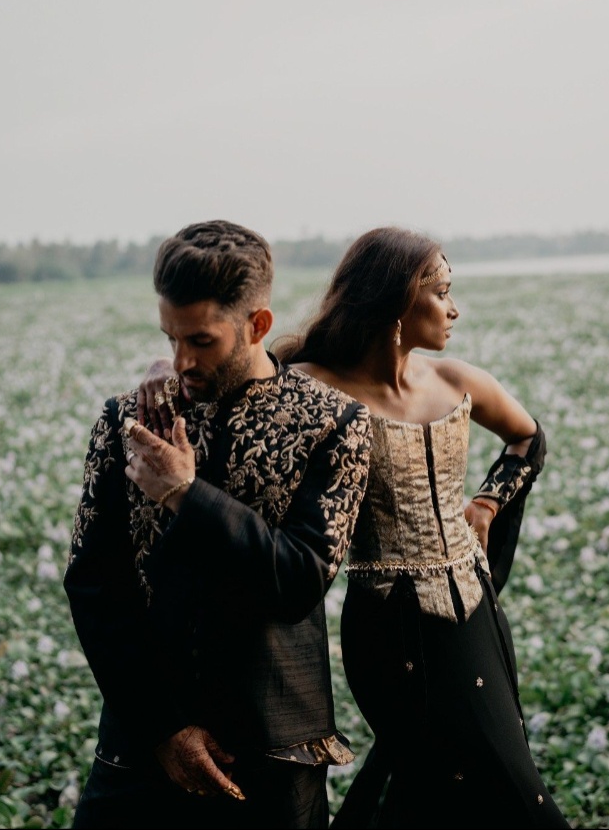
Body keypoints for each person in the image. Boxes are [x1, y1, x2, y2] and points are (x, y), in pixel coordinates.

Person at [139, 226, 572, 829]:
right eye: (441, 291)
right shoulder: (309, 384)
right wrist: (160, 368)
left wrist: (489, 503)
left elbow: (529, 437)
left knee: (444, 781)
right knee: (501, 785)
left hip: (476, 607)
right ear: (398, 301)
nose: (453, 307)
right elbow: (226, 371)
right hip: (388, 623)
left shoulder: (456, 380)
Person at [64, 220, 371, 830]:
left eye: (200, 341)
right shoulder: (129, 418)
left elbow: (298, 580)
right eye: (169, 338)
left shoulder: (335, 424)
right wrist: (164, 728)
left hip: (276, 746)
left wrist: (185, 493)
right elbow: (94, 587)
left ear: (257, 325)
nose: (181, 362)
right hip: (140, 740)